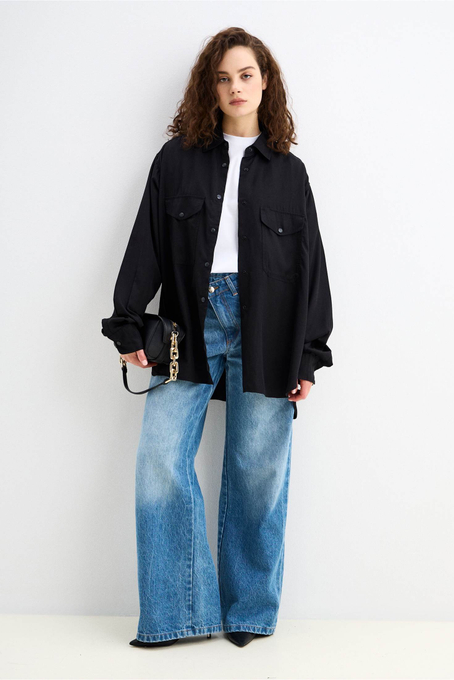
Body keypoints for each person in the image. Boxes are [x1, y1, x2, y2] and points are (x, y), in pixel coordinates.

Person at [101, 27, 333, 648]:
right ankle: (178, 613)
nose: (236, 87)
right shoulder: (175, 160)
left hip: (270, 328)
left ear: (265, 82)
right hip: (188, 324)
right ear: (210, 87)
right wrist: (128, 321)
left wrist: (309, 354)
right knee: (160, 460)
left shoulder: (290, 172)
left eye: (246, 75)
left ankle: (248, 612)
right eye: (224, 77)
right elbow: (147, 243)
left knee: (259, 469)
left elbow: (311, 266)